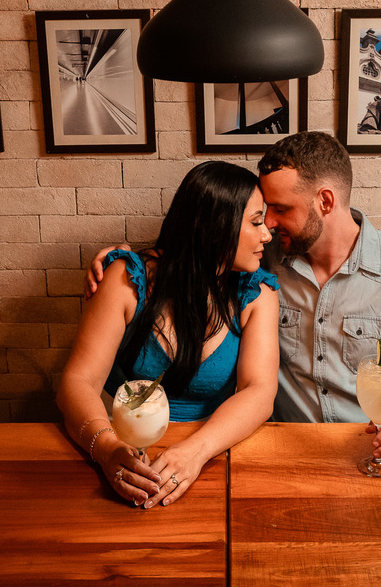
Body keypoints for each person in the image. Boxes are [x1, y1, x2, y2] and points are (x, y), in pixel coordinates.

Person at [87, 132, 381, 463]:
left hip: (372, 445)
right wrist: (123, 262)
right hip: (281, 448)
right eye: (263, 214)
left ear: (325, 202)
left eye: (281, 209)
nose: (268, 225)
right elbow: (198, 248)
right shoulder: (258, 261)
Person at [58, 161, 279, 510]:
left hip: (210, 447)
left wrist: (195, 452)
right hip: (120, 440)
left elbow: (260, 391)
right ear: (215, 226)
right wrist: (108, 449)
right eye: (255, 222)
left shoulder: (257, 293)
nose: (267, 234)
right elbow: (78, 381)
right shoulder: (128, 278)